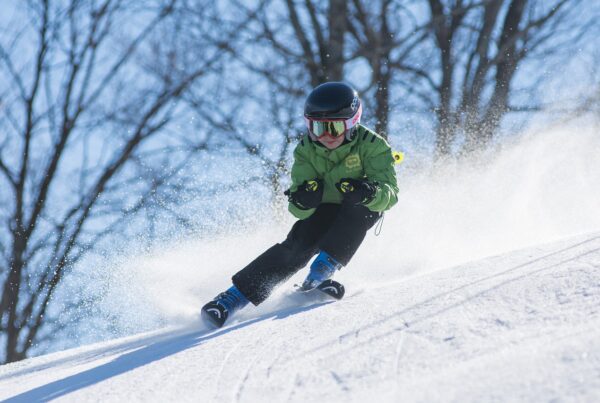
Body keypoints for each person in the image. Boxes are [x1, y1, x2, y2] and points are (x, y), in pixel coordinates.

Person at [201, 82, 399, 328]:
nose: (325, 136)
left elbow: (390, 194)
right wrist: (304, 199)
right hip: (323, 209)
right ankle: (232, 299)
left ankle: (320, 273)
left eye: (334, 127)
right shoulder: (306, 150)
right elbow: (297, 209)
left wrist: (368, 192)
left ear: (351, 124)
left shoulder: (373, 145)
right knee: (299, 243)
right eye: (317, 128)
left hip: (358, 206)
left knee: (361, 211)